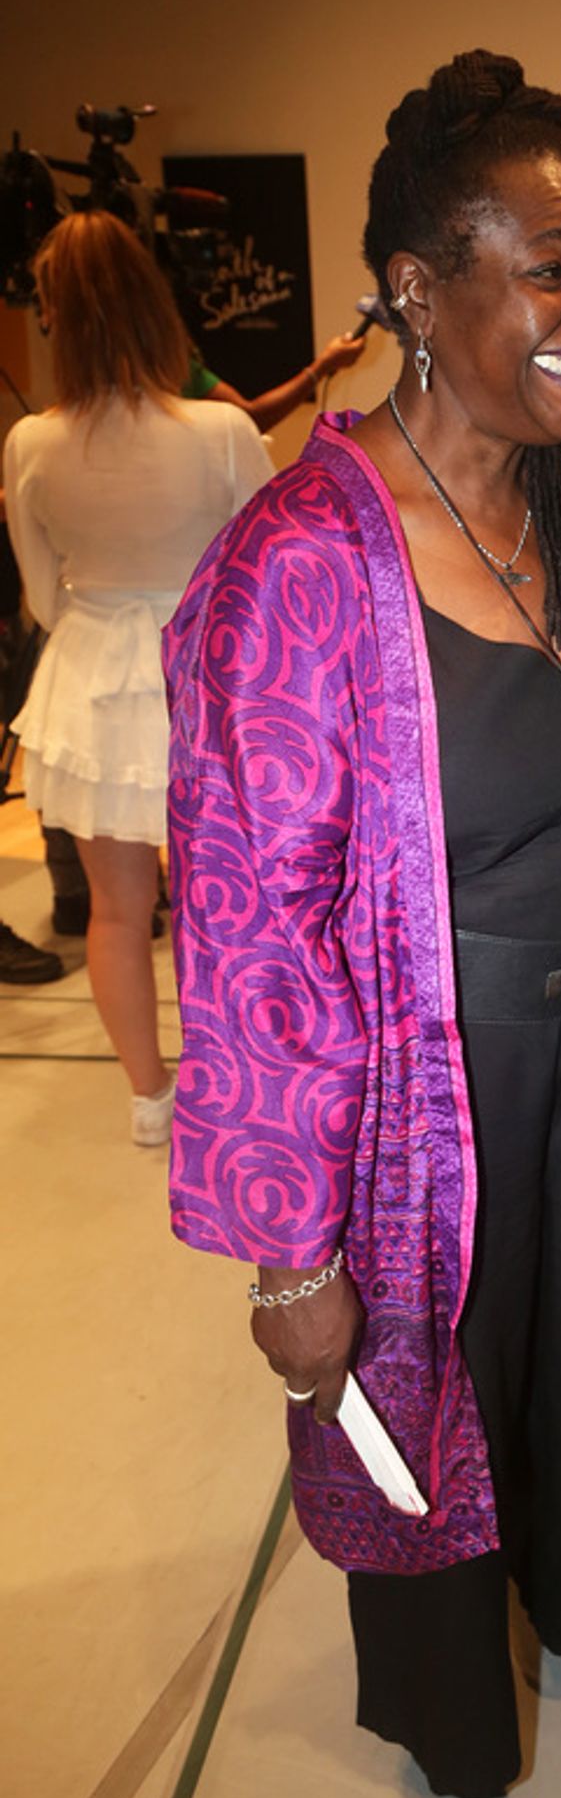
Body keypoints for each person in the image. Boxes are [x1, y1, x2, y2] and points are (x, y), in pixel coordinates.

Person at [164, 50, 561, 1798]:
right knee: (433, 1392)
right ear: (419, 288)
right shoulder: (299, 561)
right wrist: (289, 1248)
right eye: (548, 266)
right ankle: (451, 1725)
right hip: (427, 1086)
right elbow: (250, 939)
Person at [3, 211, 270, 1140]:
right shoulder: (222, 430)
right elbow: (271, 568)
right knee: (219, 907)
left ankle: (151, 1099)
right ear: (153, 302)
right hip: (208, 675)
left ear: (57, 319)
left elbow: (41, 597)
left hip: (90, 677)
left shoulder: (31, 442)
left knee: (115, 911)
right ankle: (233, 1082)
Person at [185, 327, 368, 432]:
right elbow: (251, 419)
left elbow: (248, 417)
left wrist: (324, 365)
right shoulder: (179, 371)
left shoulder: (186, 371)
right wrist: (323, 366)